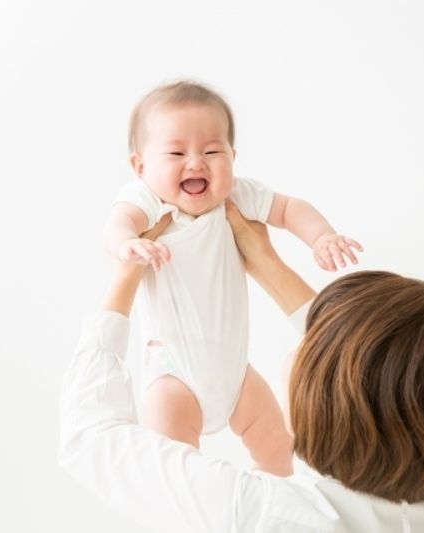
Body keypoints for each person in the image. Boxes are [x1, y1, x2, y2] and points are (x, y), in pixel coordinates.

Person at [59, 201, 424, 532]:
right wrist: (267, 263)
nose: (295, 356)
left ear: (329, 404)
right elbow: (388, 375)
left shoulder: (264, 513)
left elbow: (91, 438)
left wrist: (123, 281)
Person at [102, 80, 363, 475]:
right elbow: (118, 223)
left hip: (236, 373)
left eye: (212, 151)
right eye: (176, 152)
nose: (196, 163)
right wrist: (127, 245)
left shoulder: (236, 197)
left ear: (233, 157)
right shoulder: (149, 202)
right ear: (141, 167)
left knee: (280, 453)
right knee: (178, 475)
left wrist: (321, 236)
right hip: (173, 374)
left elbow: (290, 208)